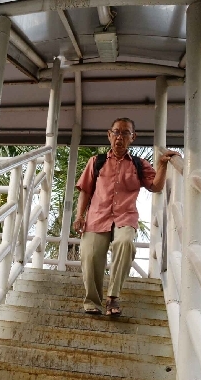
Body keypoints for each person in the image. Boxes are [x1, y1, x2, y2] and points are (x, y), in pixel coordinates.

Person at [72, 118, 179, 316]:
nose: (119, 137)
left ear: (133, 137)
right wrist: (79, 216)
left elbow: (155, 186)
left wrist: (162, 164)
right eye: (116, 132)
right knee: (89, 253)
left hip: (125, 217)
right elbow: (85, 191)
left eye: (125, 133)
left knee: (125, 243)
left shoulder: (139, 164)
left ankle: (113, 298)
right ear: (109, 135)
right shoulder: (96, 162)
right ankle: (92, 301)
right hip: (97, 216)